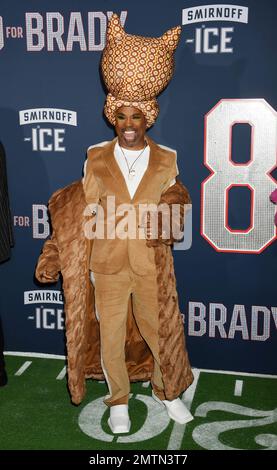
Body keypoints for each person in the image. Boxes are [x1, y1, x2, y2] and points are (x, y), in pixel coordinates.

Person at [36, 14, 193, 435]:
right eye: (121, 117)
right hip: (105, 265)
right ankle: (118, 399)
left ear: (149, 119)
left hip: (149, 264)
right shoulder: (94, 156)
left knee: (159, 333)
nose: (128, 125)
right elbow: (79, 209)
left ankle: (168, 391)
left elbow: (177, 197)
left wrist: (172, 213)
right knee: (109, 340)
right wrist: (54, 252)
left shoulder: (168, 158)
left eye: (136, 117)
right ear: (112, 117)